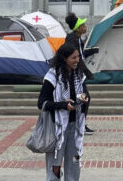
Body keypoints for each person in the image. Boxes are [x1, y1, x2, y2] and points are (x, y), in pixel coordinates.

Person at [37, 42, 90, 181]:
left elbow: (86, 94)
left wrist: (84, 98)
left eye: (78, 57)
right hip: (57, 128)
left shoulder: (79, 75)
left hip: (75, 127)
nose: (77, 60)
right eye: (73, 57)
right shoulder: (52, 76)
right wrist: (63, 105)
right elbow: (41, 103)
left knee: (74, 160)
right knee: (55, 164)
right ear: (64, 58)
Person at [64, 13, 97, 134]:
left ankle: (77, 123)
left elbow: (81, 55)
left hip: (77, 75)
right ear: (78, 28)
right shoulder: (72, 40)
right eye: (83, 25)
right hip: (73, 76)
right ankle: (79, 125)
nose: (85, 26)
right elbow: (76, 59)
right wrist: (88, 73)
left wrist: (92, 51)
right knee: (84, 98)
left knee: (81, 99)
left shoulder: (77, 39)